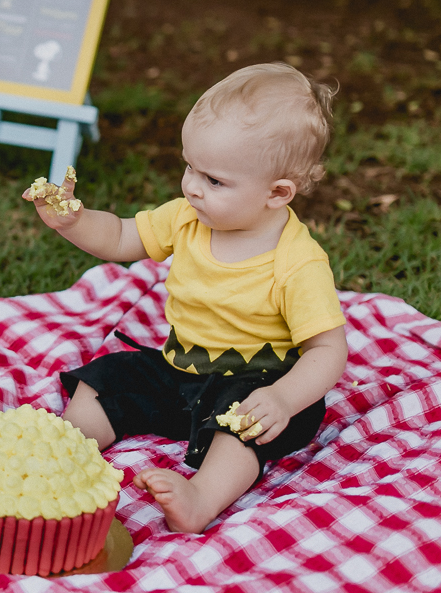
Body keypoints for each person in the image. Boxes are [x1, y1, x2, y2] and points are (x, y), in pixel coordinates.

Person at [24, 62, 348, 534]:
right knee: (107, 378)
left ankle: (202, 497)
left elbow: (327, 350)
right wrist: (74, 221)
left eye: (214, 180)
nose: (192, 186)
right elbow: (120, 237)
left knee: (240, 426)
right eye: (189, 166)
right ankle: (63, 451)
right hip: (183, 369)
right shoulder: (187, 217)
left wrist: (281, 398)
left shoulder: (297, 263)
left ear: (277, 193)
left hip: (257, 383)